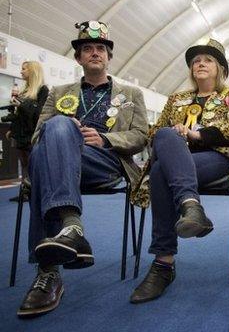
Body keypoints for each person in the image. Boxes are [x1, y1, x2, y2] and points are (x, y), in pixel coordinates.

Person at [17, 21, 148, 317]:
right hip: (58, 159)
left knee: (42, 162)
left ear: (109, 57)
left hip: (104, 161)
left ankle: (48, 270)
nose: (94, 53)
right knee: (55, 132)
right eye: (87, 49)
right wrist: (65, 130)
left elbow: (140, 136)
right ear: (78, 58)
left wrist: (105, 138)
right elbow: (39, 134)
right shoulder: (58, 92)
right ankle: (70, 226)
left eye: (100, 48)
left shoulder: (131, 94)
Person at [129, 40, 229, 303]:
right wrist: (174, 133)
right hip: (178, 159)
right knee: (164, 141)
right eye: (196, 61)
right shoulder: (177, 99)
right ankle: (191, 205)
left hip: (218, 158)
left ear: (220, 68)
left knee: (162, 170)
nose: (200, 64)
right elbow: (154, 132)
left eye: (207, 60)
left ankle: (163, 264)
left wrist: (193, 134)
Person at [2, 61, 49, 199]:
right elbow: (18, 113)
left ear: (33, 71)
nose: (21, 72)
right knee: (24, 164)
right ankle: (25, 192)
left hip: (33, 133)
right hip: (20, 133)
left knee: (33, 163)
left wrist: (22, 105)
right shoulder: (23, 91)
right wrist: (11, 129)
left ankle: (36, 192)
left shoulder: (43, 90)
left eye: (24, 69)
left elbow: (40, 113)